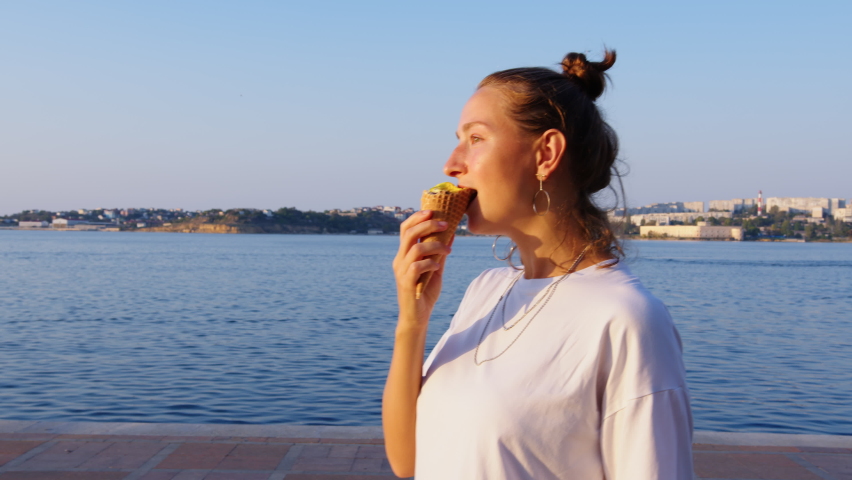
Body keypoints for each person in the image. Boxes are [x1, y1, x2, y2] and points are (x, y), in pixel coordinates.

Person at [383, 50, 694, 479]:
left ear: (546, 153)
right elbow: (408, 461)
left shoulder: (626, 318)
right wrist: (412, 321)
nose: (451, 165)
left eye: (475, 139)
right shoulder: (487, 290)